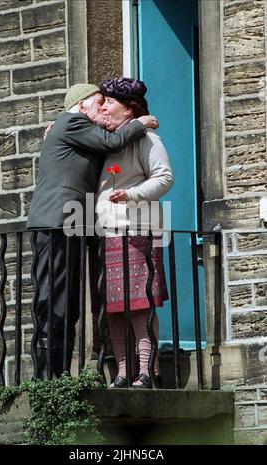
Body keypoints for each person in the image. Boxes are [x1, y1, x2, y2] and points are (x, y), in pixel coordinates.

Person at [26, 82, 159, 380]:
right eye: (100, 102)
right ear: (82, 105)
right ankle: (47, 379)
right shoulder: (72, 122)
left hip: (70, 225)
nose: (103, 107)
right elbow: (111, 143)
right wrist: (138, 124)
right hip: (55, 222)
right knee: (53, 300)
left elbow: (106, 146)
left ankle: (57, 376)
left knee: (67, 304)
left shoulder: (77, 131)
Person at [95, 77, 174, 388]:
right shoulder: (106, 140)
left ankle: (146, 370)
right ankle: (123, 372)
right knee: (114, 309)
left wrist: (132, 194)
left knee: (140, 304)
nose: (103, 107)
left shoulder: (148, 140)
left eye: (109, 102)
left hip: (138, 229)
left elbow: (165, 177)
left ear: (128, 110)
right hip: (108, 231)